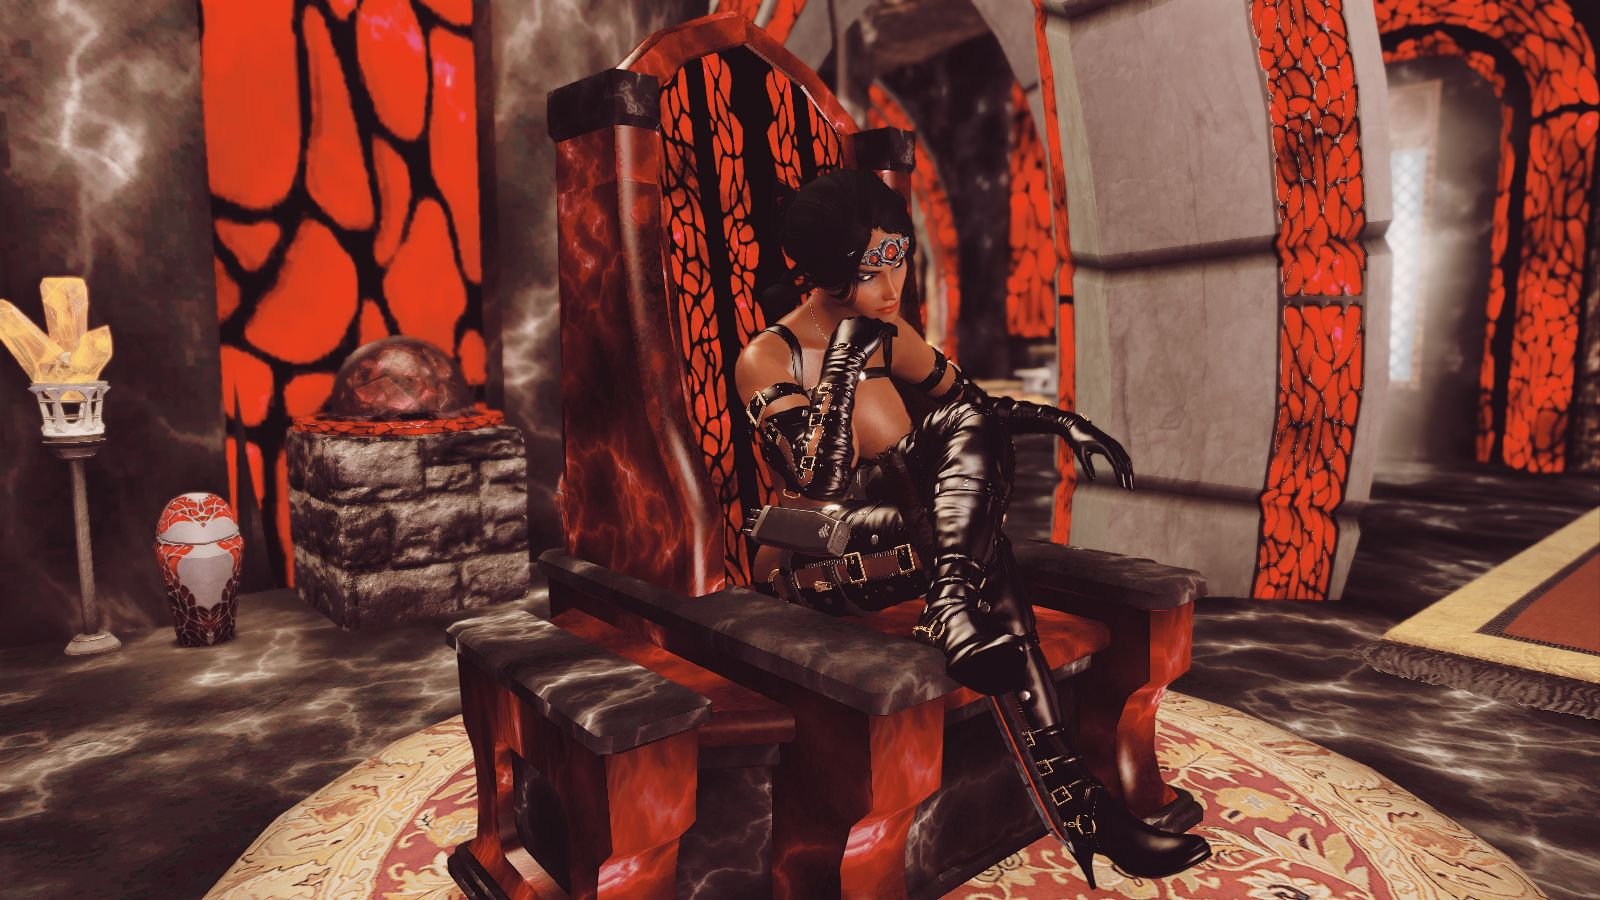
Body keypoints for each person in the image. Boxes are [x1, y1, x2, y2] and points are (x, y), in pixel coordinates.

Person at [734, 169, 1210, 889]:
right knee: (977, 546)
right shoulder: (768, 357)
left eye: (899, 260)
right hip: (809, 555)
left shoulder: (891, 334)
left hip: (917, 535)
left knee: (963, 472)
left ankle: (954, 610)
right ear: (828, 271)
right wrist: (845, 360)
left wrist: (1059, 420)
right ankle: (1086, 813)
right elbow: (818, 481)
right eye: (870, 270)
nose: (892, 287)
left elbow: (973, 412)